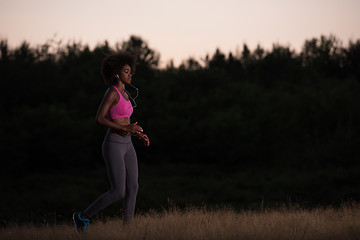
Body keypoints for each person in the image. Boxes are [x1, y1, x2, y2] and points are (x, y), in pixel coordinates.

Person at [73, 51, 150, 233]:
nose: (130, 74)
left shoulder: (125, 93)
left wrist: (137, 132)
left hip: (128, 144)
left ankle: (127, 231)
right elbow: (99, 119)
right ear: (116, 73)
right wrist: (125, 129)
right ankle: (82, 216)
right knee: (118, 191)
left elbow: (124, 119)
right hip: (113, 144)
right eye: (126, 71)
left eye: (131, 71)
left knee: (133, 187)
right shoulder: (112, 92)